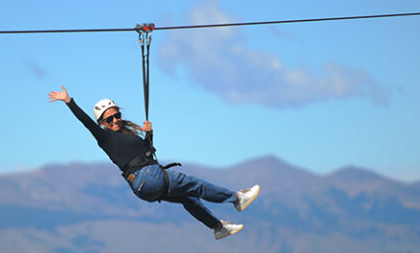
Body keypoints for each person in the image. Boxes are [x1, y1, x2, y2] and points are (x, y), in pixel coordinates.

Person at [47, 86, 260, 240]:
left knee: (188, 199)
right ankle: (236, 198)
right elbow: (86, 122)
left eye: (116, 116)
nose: (114, 121)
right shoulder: (105, 138)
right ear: (102, 124)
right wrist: (69, 101)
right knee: (196, 185)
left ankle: (217, 227)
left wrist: (149, 135)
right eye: (108, 119)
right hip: (147, 177)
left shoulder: (129, 136)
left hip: (143, 187)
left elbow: (147, 153)